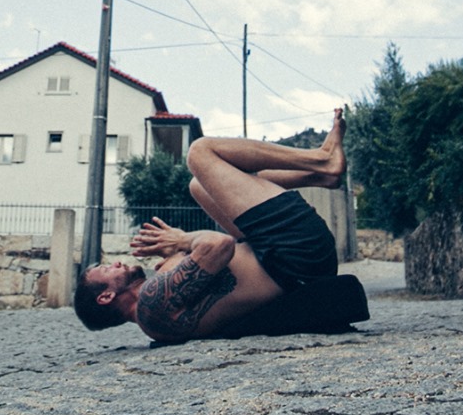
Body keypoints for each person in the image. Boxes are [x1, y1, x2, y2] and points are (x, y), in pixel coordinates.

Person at [75, 108, 348, 342]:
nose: (115, 264)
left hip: (285, 258)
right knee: (200, 152)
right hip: (296, 256)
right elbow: (219, 245)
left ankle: (318, 177)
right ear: (105, 297)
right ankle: (322, 159)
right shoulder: (149, 303)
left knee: (199, 185)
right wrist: (182, 241)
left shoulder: (154, 309)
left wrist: (176, 256)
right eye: (105, 269)